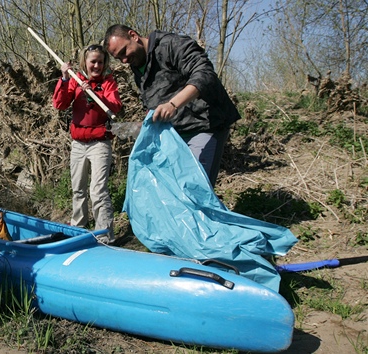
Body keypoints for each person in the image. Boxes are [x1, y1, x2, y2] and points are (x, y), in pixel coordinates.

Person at [103, 24, 241, 186]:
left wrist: (173, 104)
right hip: (175, 134)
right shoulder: (137, 67)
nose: (124, 60)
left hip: (206, 124)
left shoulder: (171, 45)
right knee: (173, 189)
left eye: (124, 52)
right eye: (119, 58)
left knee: (196, 187)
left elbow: (204, 74)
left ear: (133, 35)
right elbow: (153, 100)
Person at [52, 44, 123, 243]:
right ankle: (78, 228)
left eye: (100, 62)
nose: (97, 66)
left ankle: (105, 235)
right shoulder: (75, 80)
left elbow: (115, 106)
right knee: (78, 189)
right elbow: (60, 104)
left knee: (98, 190)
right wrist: (65, 78)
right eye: (93, 62)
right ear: (86, 62)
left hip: (100, 143)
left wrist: (94, 93)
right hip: (78, 144)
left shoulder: (108, 82)